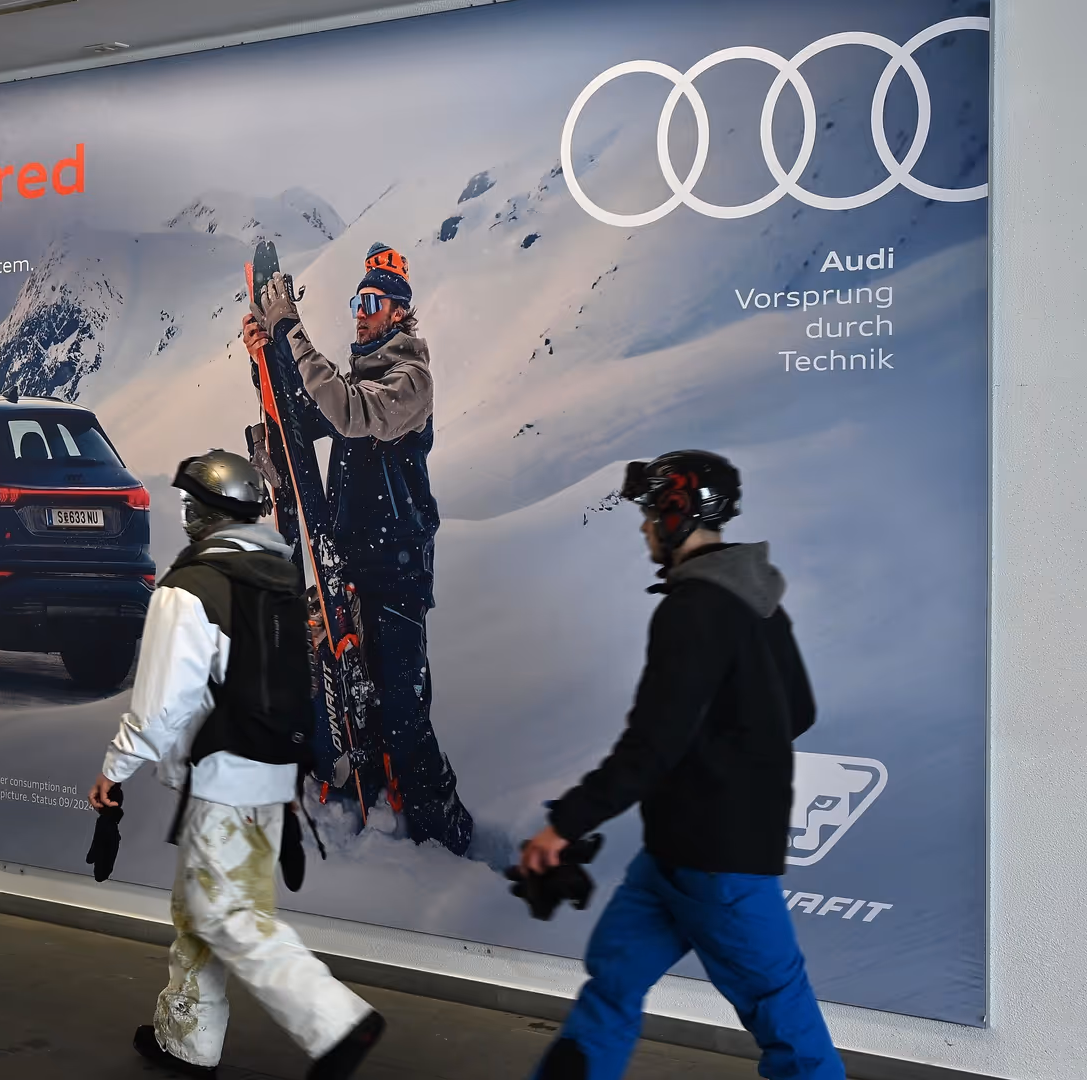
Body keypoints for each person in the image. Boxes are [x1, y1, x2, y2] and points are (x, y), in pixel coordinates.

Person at [517, 451, 845, 1080]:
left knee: (787, 1026)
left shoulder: (693, 609)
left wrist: (564, 826)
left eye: (648, 513)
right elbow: (796, 710)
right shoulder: (754, 596)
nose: (643, 526)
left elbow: (652, 745)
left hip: (720, 864)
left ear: (680, 512)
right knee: (612, 984)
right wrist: (720, 748)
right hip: (672, 859)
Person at [88, 450, 385, 1080]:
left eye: (191, 505)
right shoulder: (276, 576)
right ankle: (186, 1038)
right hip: (269, 775)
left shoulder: (190, 588)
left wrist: (114, 771)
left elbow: (161, 707)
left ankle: (336, 1021)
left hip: (224, 776)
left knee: (226, 915)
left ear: (202, 513)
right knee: (203, 906)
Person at [242, 243, 493, 864]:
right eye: (356, 301)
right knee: (353, 694)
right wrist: (267, 361)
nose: (360, 312)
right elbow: (305, 415)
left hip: (398, 569)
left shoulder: (411, 381)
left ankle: (447, 837)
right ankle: (370, 801)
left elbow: (352, 416)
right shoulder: (355, 377)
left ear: (400, 314)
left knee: (405, 713)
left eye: (372, 302)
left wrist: (292, 334)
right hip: (349, 563)